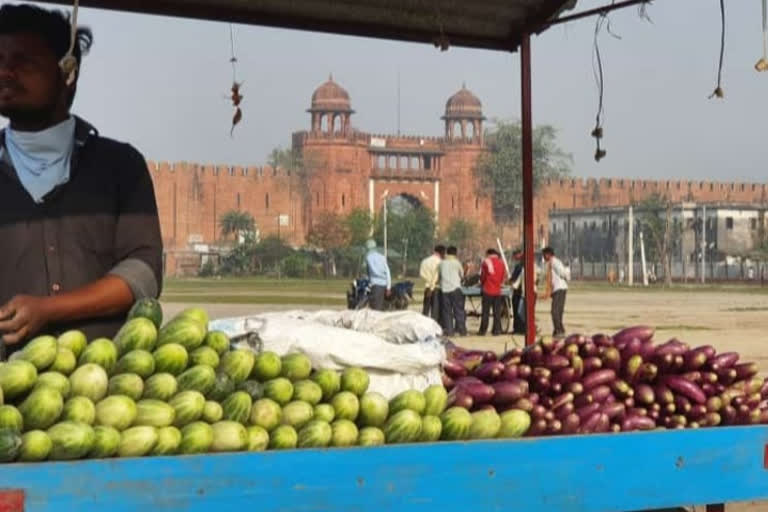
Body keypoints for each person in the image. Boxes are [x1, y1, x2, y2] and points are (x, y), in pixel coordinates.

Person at [0, 4, 163, 351]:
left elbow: (144, 272)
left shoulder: (120, 166)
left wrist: (48, 309)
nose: (6, 73)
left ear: (67, 73)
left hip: (103, 388)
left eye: (23, 62)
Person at [541, 247, 570, 338]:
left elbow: (562, 272)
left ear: (548, 254)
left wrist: (567, 273)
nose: (543, 257)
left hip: (559, 288)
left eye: (544, 255)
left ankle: (559, 330)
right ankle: (558, 330)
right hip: (557, 289)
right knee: (558, 311)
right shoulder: (550, 263)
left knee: (555, 311)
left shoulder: (554, 262)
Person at [438, 246, 466, 336]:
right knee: (459, 310)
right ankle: (462, 331)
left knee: (447, 312)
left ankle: (450, 331)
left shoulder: (442, 263)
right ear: (455, 253)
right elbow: (462, 275)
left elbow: (439, 276)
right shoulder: (456, 263)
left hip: (444, 290)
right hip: (455, 289)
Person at [479, 248, 506, 336]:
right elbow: (503, 276)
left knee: (485, 312)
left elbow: (483, 276)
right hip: (497, 291)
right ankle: (496, 330)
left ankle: (483, 330)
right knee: (496, 312)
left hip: (487, 289)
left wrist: (482, 283)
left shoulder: (486, 262)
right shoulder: (501, 263)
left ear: (488, 253)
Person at [419, 245, 445, 321]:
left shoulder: (425, 261)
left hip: (427, 287)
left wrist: (429, 283)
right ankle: (434, 328)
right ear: (442, 252)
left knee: (425, 309)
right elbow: (436, 276)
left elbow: (421, 274)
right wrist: (432, 287)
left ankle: (423, 326)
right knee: (435, 311)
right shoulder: (440, 262)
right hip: (435, 288)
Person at [364, 239, 390, 311]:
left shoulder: (368, 257)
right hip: (384, 284)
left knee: (375, 309)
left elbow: (368, 272)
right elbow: (387, 272)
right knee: (380, 306)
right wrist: (388, 287)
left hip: (376, 285)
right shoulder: (382, 257)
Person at [509, 248, 525, 334]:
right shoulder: (521, 265)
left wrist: (510, 281)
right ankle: (520, 328)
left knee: (517, 311)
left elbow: (514, 279)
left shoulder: (519, 266)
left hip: (518, 291)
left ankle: (518, 329)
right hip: (521, 290)